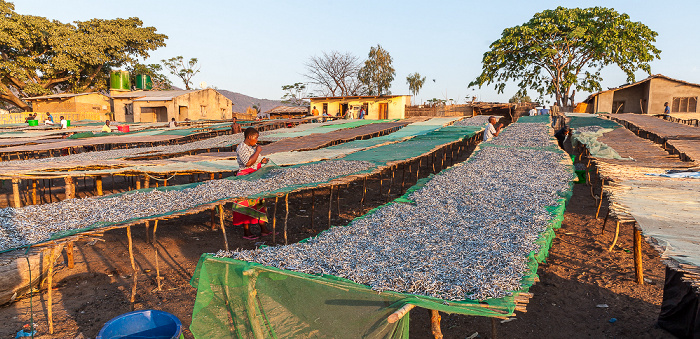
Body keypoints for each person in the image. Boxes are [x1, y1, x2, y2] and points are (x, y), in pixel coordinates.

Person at [234, 127, 272, 240]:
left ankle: (263, 229)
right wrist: (258, 151)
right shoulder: (241, 148)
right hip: (245, 178)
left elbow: (257, 159)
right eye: (255, 138)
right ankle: (247, 232)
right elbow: (248, 162)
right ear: (249, 137)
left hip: (254, 177)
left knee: (259, 203)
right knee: (245, 204)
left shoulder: (252, 147)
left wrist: (263, 160)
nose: (256, 140)